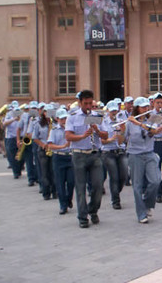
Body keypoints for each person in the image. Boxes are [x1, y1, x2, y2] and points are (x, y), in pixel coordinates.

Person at [65, 90, 108, 228]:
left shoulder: (97, 116)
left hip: (95, 154)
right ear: (80, 102)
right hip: (79, 155)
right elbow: (68, 136)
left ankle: (93, 210)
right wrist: (82, 136)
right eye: (86, 103)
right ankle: (82, 217)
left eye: (90, 103)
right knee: (80, 187)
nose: (88, 106)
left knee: (97, 186)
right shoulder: (72, 116)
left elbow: (105, 136)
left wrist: (97, 130)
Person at [123, 97, 162, 223]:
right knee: (137, 185)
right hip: (135, 155)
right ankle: (141, 213)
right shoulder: (129, 122)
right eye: (143, 107)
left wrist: (139, 124)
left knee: (155, 181)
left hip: (149, 153)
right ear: (137, 108)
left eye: (147, 107)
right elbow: (122, 139)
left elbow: (154, 131)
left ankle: (147, 204)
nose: (146, 109)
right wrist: (120, 130)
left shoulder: (152, 119)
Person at [100, 101, 128, 209]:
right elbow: (102, 141)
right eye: (112, 111)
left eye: (115, 111)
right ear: (108, 111)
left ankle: (117, 191)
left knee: (123, 175)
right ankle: (115, 200)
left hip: (120, 151)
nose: (113, 113)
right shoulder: (104, 123)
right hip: (108, 152)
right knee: (114, 177)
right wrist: (111, 139)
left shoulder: (120, 122)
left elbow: (121, 141)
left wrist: (121, 131)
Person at [47, 108, 74, 215]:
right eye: (62, 119)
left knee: (71, 181)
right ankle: (63, 205)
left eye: (66, 118)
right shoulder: (54, 130)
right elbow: (50, 145)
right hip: (59, 157)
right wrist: (62, 146)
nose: (64, 120)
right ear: (57, 119)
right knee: (60, 183)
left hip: (70, 157)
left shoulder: (71, 129)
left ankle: (68, 198)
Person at [32, 104, 56, 200]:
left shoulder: (55, 123)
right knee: (44, 172)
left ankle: (55, 191)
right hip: (43, 150)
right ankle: (46, 192)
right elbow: (35, 137)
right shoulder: (38, 124)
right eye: (47, 112)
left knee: (53, 171)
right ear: (44, 113)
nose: (49, 114)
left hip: (53, 149)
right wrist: (43, 145)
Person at [3, 105, 22, 177]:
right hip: (11, 137)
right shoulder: (9, 115)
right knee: (12, 155)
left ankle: (19, 168)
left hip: (21, 136)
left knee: (21, 155)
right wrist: (14, 119)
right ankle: (16, 172)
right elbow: (4, 123)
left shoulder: (22, 115)